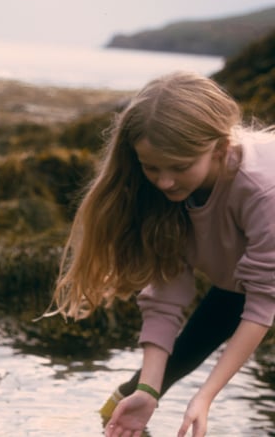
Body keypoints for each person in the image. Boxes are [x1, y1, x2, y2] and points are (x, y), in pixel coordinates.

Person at [49, 71, 275, 437]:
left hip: (260, 277)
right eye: (151, 167)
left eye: (179, 167)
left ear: (218, 146)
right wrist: (149, 390)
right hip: (237, 282)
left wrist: (204, 397)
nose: (165, 181)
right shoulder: (167, 191)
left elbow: (262, 305)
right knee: (218, 310)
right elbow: (166, 297)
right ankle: (133, 399)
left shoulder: (262, 190)